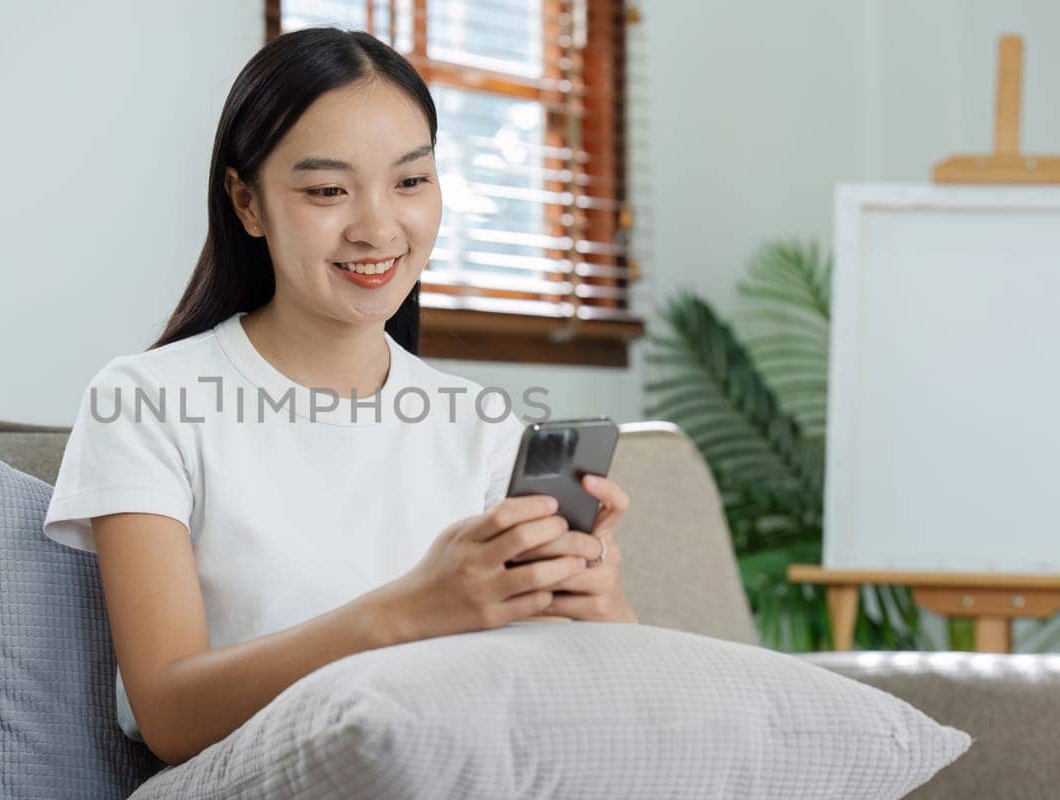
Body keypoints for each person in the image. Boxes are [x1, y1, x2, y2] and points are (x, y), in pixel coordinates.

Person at [43, 26, 635, 766]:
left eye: (411, 181)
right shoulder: (144, 401)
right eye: (327, 191)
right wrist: (411, 610)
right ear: (247, 204)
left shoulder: (482, 427)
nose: (378, 228)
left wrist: (598, 602)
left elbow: (593, 709)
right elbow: (170, 710)